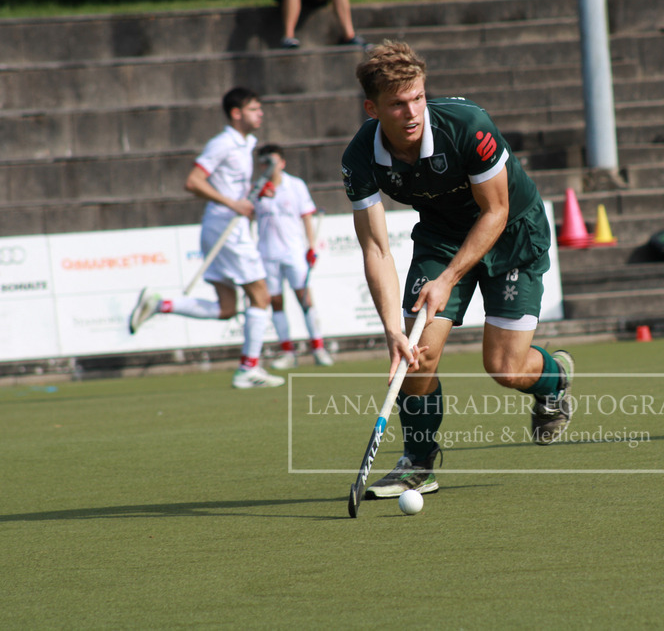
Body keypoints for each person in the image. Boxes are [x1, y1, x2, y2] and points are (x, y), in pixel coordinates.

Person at [342, 40, 575, 498]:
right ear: (373, 109)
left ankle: (553, 379)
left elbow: (496, 211)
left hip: (512, 233)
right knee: (416, 356)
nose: (412, 113)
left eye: (418, 98)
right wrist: (392, 329)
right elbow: (376, 249)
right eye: (398, 104)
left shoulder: (468, 126)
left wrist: (447, 280)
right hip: (442, 237)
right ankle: (418, 464)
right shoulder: (359, 157)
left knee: (505, 368)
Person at [129, 88, 285, 390]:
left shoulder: (246, 144)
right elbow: (193, 182)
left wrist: (251, 193)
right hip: (226, 227)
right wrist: (233, 203)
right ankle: (248, 369)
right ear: (236, 113)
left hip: (223, 226)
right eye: (254, 109)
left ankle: (161, 304)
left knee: (226, 309)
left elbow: (231, 186)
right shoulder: (223, 143)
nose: (260, 114)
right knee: (261, 296)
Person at [253, 144, 334, 369]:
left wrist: (311, 246)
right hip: (267, 254)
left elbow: (306, 217)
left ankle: (318, 348)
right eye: (264, 162)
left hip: (293, 252)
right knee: (276, 302)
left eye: (272, 161)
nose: (268, 166)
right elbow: (248, 217)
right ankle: (287, 352)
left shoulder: (295, 185)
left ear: (282, 163)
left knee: (304, 298)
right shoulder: (255, 189)